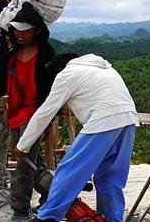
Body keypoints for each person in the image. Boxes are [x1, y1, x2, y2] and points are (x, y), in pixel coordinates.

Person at [13, 53, 139, 222]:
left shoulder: (66, 74)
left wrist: (22, 145)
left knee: (68, 170)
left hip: (104, 120)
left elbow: (44, 113)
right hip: (128, 119)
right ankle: (112, 219)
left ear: (58, 70)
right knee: (110, 177)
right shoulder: (104, 68)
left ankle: (48, 216)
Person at [0, 0, 56, 222]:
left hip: (33, 114)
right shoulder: (10, 46)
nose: (20, 34)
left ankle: (20, 210)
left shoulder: (46, 54)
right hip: (13, 111)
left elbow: (51, 91)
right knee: (33, 161)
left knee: (23, 163)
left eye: (25, 31)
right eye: (16, 29)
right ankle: (54, 193)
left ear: (37, 31)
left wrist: (46, 123)